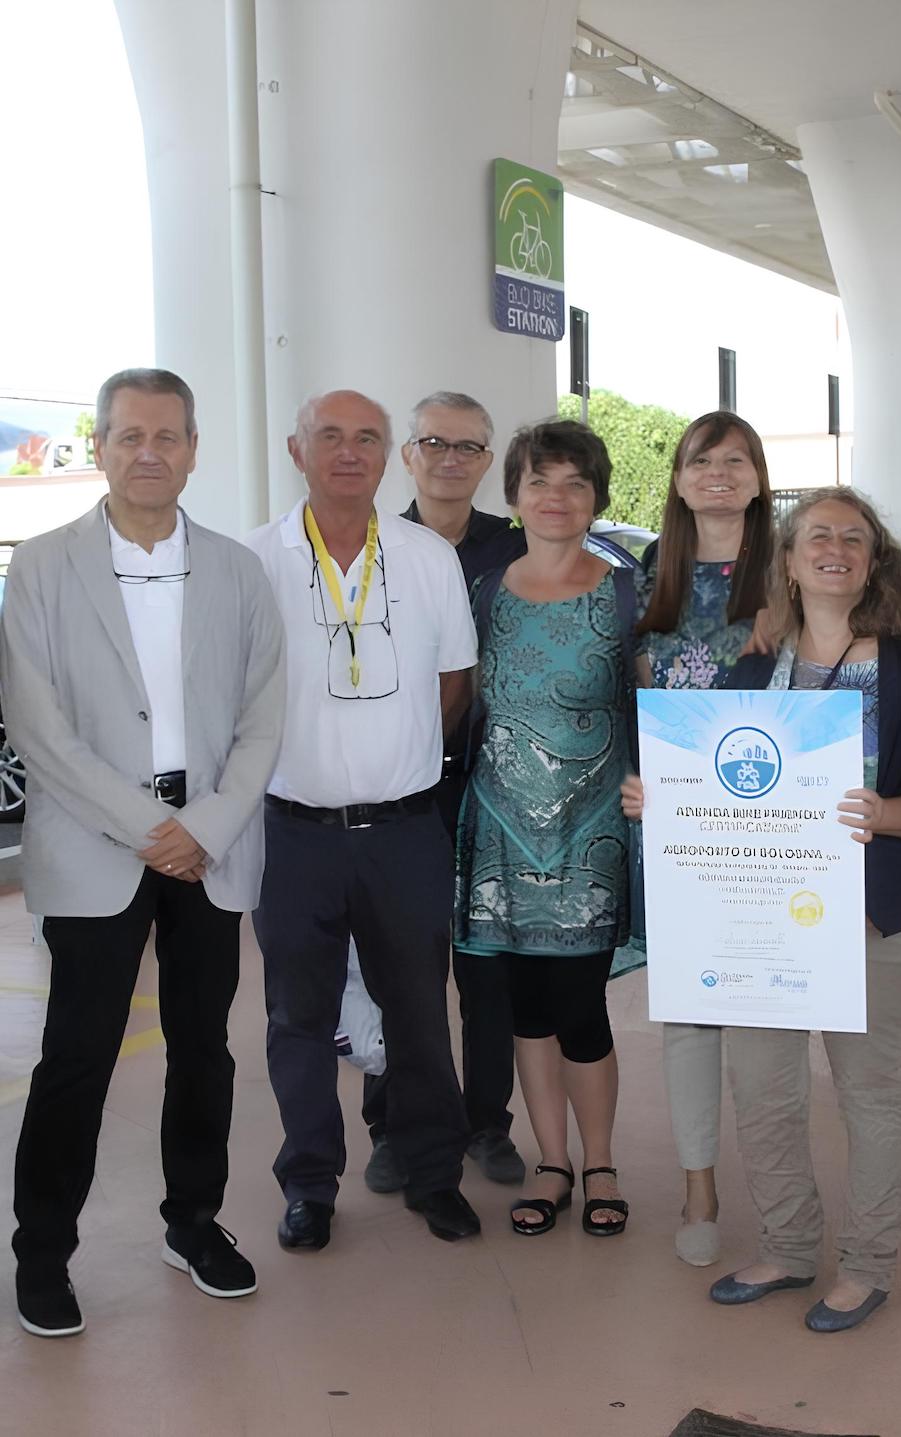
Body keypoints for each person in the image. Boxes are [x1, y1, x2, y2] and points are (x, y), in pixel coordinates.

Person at [2, 369, 283, 1337]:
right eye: (129, 435)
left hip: (208, 841)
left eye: (168, 435)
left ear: (195, 448)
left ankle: (193, 1223)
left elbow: (263, 717)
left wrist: (200, 829)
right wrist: (145, 827)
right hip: (94, 842)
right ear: (101, 446)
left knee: (204, 1051)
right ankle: (42, 1251)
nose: (150, 451)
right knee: (74, 1058)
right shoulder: (41, 568)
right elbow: (38, 727)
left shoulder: (238, 573)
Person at [656, 486, 901, 1331]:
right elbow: (717, 778)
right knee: (763, 1090)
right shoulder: (754, 666)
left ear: (872, 561)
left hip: (868, 915)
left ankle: (867, 1264)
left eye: (853, 537)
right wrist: (662, 796)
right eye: (816, 534)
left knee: (872, 1093)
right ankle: (788, 1246)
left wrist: (885, 814)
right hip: (760, 920)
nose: (835, 547)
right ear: (786, 560)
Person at [245, 389, 483, 1249]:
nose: (350, 452)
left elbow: (455, 684)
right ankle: (309, 1184)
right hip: (293, 833)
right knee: (297, 1019)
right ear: (295, 448)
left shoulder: (426, 558)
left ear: (390, 456)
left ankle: (433, 1175)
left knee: (419, 1012)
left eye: (368, 439)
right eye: (330, 436)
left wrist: (397, 763)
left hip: (404, 833)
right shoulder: (254, 559)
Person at [459, 419, 637, 1240]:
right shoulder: (485, 590)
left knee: (580, 1006)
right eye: (539, 482)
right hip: (498, 830)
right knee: (524, 1008)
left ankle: (600, 1161)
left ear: (596, 496)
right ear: (515, 495)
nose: (556, 497)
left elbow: (669, 697)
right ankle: (551, 1161)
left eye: (573, 482)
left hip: (593, 831)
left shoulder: (627, 590)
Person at [358, 390, 526, 1194]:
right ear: (409, 455)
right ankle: (396, 1122)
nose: (452, 458)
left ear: (489, 462)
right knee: (403, 966)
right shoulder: (369, 544)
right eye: (435, 442)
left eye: (469, 446)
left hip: (501, 791)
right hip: (402, 792)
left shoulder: (520, 550)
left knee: (487, 965)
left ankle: (487, 1121)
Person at [633, 410, 777, 1266]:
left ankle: (776, 1185)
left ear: (760, 477)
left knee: (762, 1005)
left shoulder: (794, 574)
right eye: (701, 461)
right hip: (679, 822)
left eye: (735, 460)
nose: (718, 473)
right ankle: (698, 1185)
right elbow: (636, 696)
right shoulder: (652, 575)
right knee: (689, 1014)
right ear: (680, 480)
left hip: (770, 827)